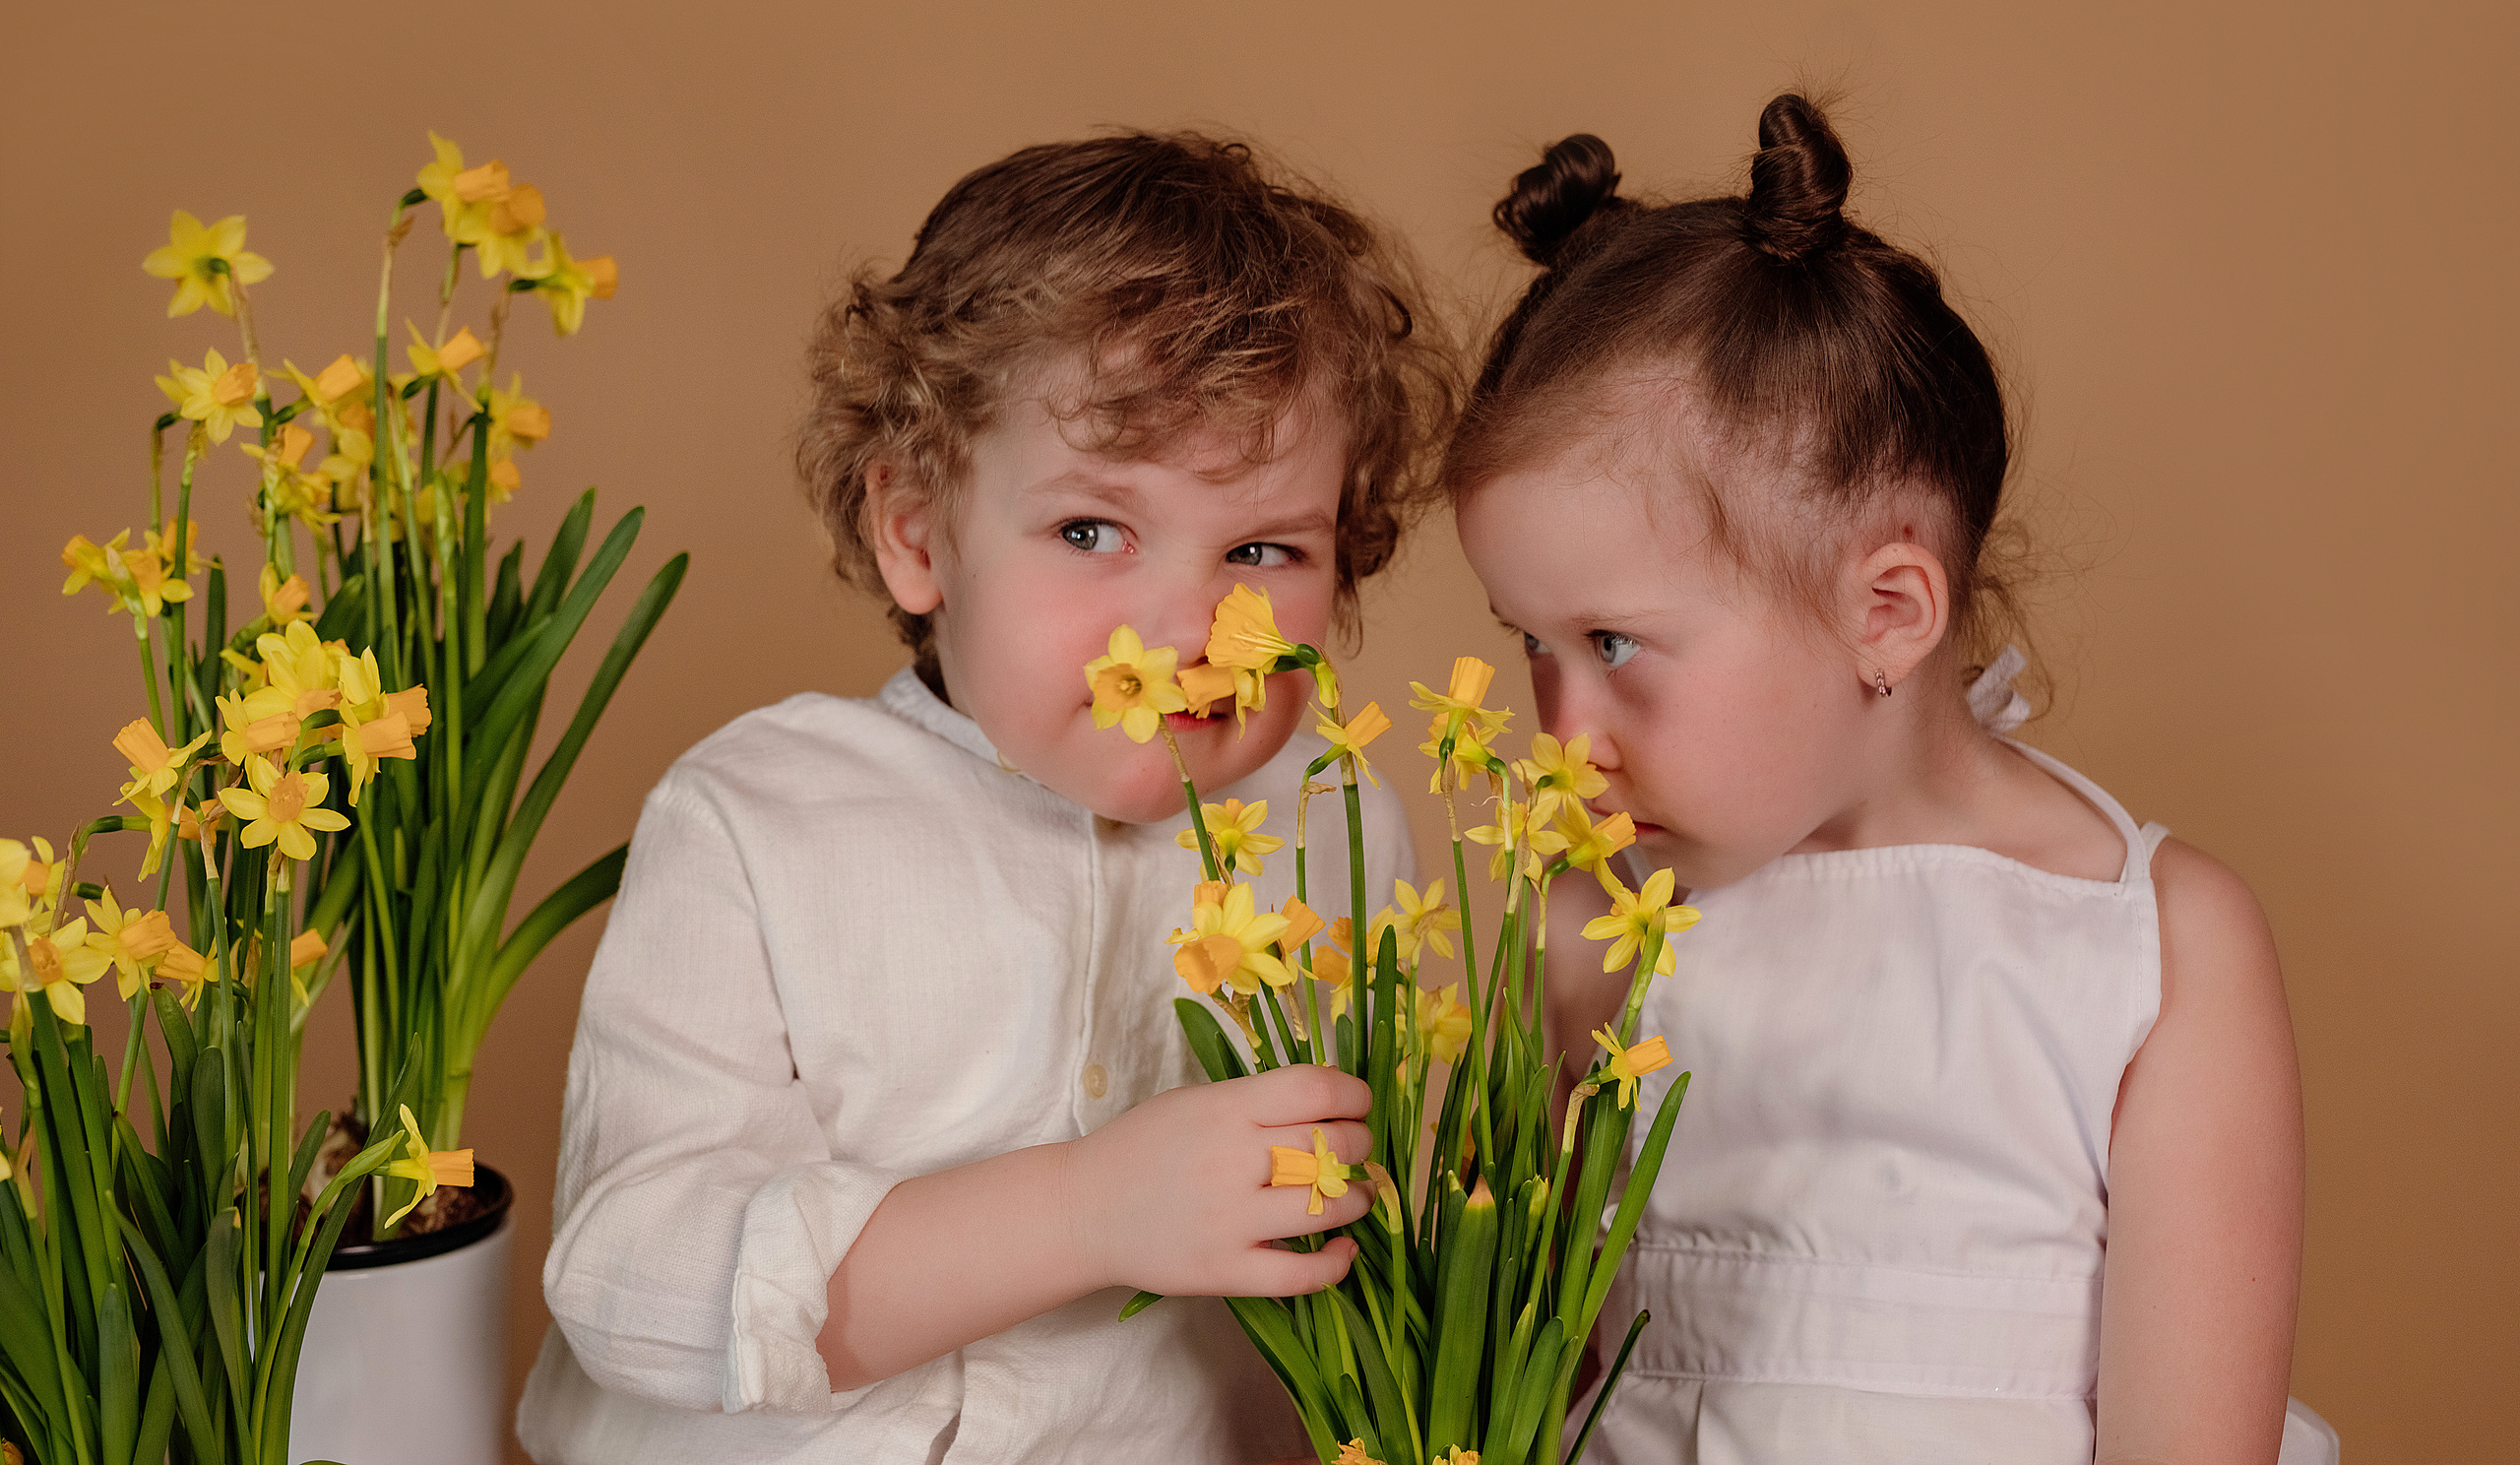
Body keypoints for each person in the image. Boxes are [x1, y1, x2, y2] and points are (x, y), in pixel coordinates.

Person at [517, 132, 1458, 1463]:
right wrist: (1088, 1211)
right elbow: (636, 1285)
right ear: (916, 532)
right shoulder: (756, 819)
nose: (1187, 624)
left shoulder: (1336, 821)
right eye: (1091, 531)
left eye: (1263, 548)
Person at [1446, 98, 2339, 1463]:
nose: (1566, 738)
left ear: (1888, 613)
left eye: (1619, 644)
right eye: (1534, 646)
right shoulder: (1593, 927)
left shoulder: (2154, 953)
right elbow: (1516, 1387)